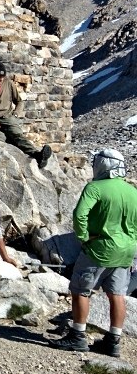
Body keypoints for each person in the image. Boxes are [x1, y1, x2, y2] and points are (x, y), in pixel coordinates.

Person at [51, 149, 137, 356]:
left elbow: (79, 214)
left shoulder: (95, 187)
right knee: (117, 294)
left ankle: (78, 335)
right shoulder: (132, 191)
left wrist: (84, 237)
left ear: (104, 165)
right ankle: (113, 340)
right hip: (126, 251)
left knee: (81, 289)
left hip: (100, 248)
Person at [0, 62, 52, 167]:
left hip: (7, 117)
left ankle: (37, 155)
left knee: (17, 134)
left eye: (2, 77)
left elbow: (19, 101)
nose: (1, 79)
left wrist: (15, 114)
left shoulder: (9, 84)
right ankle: (8, 139)